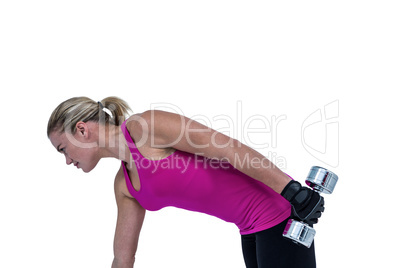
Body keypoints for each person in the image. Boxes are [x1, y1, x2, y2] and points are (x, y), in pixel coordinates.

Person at [47, 96, 324, 268]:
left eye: (62, 149)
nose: (67, 161)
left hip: (278, 213)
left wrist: (291, 190)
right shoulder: (125, 185)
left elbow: (226, 147)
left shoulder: (145, 127)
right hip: (250, 231)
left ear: (82, 130)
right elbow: (123, 259)